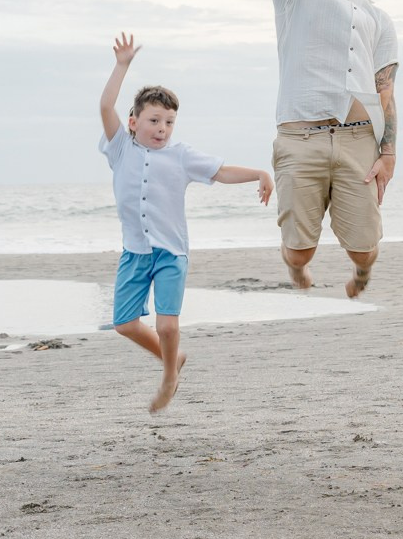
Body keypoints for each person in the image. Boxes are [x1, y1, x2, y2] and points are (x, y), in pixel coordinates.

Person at [97, 33, 272, 413]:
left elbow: (221, 171)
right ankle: (172, 359)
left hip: (171, 252)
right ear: (133, 122)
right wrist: (122, 65)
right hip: (135, 252)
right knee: (125, 324)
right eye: (154, 120)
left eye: (169, 122)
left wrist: (259, 172)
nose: (162, 128)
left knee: (168, 326)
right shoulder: (120, 148)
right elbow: (105, 105)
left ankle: (169, 376)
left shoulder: (180, 156)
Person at [259, 0, 399, 298]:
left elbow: (386, 90)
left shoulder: (377, 16)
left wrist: (388, 153)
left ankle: (360, 274)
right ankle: (297, 269)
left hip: (359, 139)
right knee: (300, 250)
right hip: (301, 138)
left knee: (365, 247)